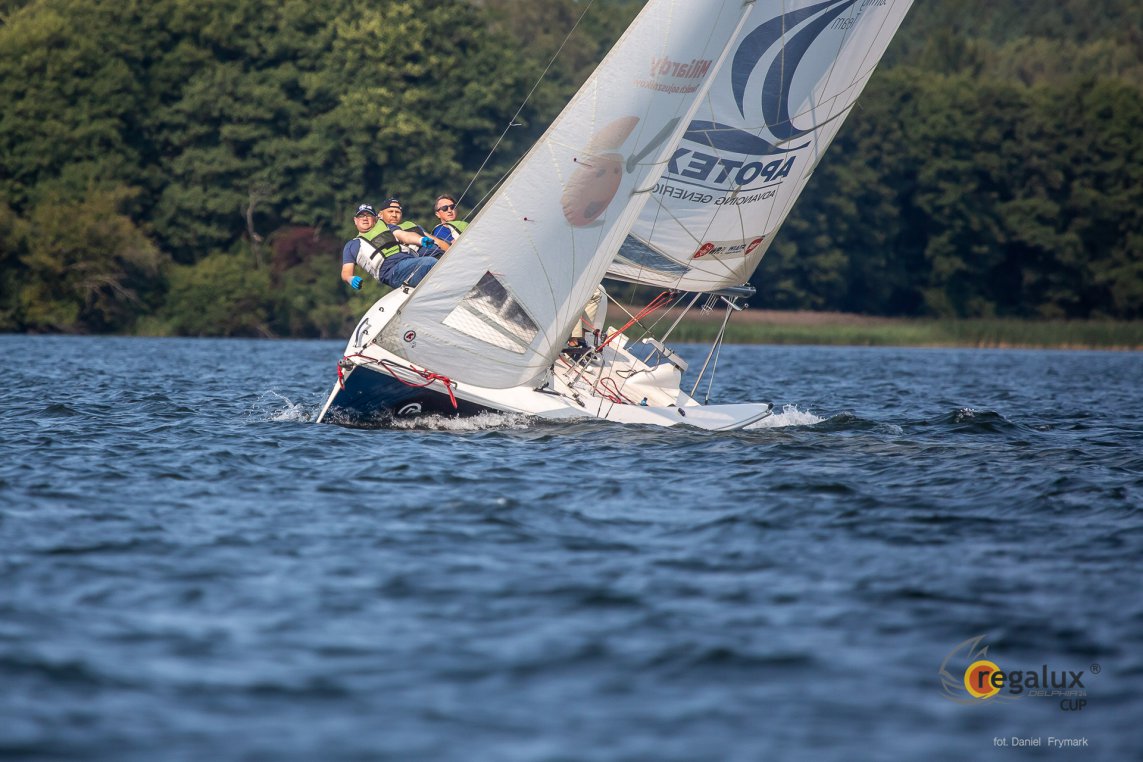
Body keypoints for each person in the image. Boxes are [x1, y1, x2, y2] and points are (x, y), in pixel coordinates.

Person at [340, 203, 441, 289]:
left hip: (408, 262)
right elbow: (346, 272)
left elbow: (404, 235)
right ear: (355, 220)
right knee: (430, 262)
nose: (365, 218)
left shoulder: (387, 227)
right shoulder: (352, 245)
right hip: (391, 271)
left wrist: (420, 239)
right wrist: (350, 279)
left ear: (375, 218)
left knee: (435, 261)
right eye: (361, 216)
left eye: (369, 215)